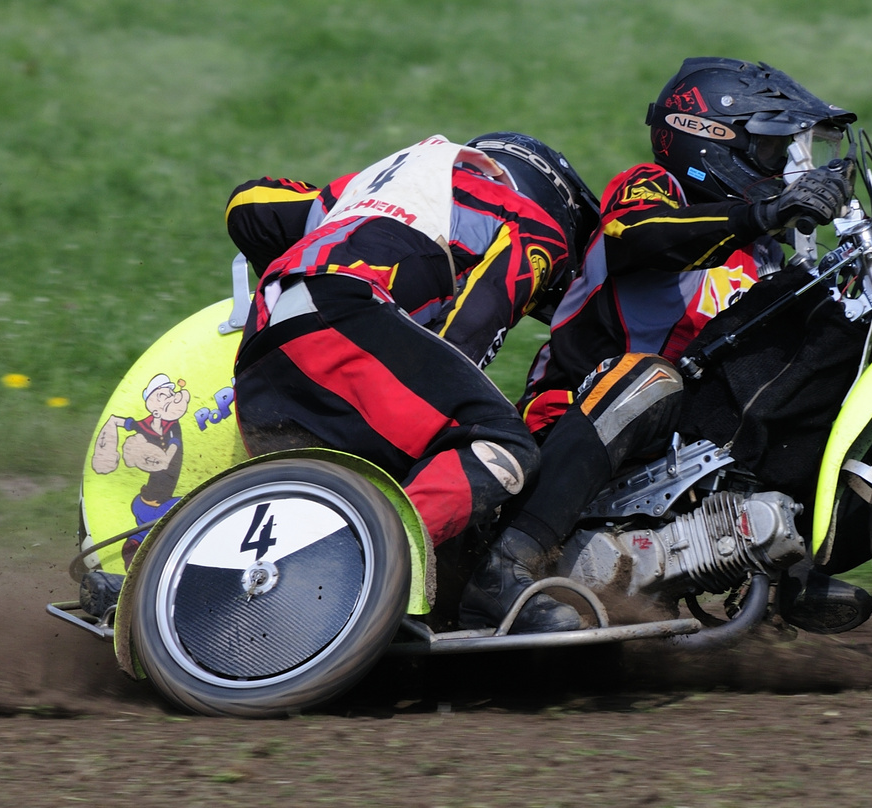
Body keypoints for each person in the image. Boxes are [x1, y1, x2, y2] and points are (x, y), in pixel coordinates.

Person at [460, 58, 862, 631]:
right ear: (711, 140)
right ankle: (504, 564)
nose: (787, 171)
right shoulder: (651, 188)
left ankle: (789, 565)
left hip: (679, 440)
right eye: (774, 152)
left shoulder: (765, 253)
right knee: (651, 377)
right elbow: (639, 239)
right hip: (578, 416)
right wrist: (761, 214)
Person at [228, 133, 601, 562]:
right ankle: (362, 568)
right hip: (345, 319)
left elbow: (249, 206)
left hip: (261, 348)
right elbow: (471, 327)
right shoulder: (532, 220)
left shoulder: (360, 187)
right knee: (498, 445)